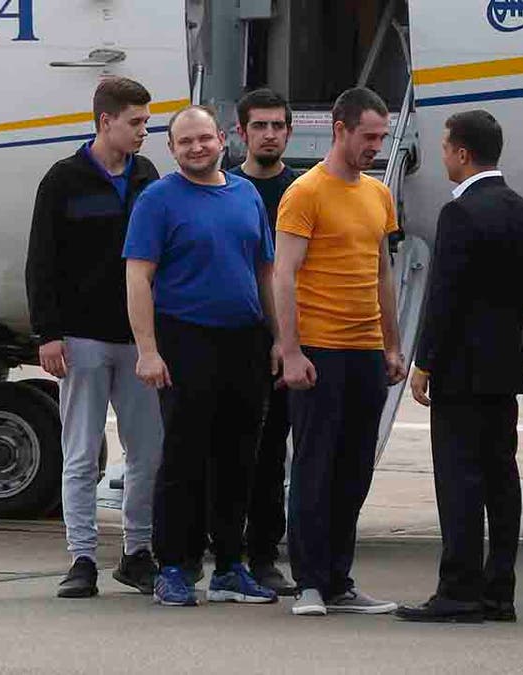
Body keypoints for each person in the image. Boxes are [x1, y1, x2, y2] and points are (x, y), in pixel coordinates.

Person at [124, 106, 279, 608]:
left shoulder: (245, 194)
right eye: (185, 141)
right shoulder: (158, 200)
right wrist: (148, 351)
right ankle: (175, 566)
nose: (197, 148)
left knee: (240, 457)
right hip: (184, 339)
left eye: (204, 139)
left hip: (245, 340)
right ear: (171, 149)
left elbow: (264, 273)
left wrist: (280, 339)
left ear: (223, 141)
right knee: (185, 457)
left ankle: (230, 565)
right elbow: (138, 277)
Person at [396, 110, 523, 624]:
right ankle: (499, 590)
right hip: (504, 366)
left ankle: (458, 589)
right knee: (502, 479)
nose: (443, 157)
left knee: (458, 480)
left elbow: (446, 296)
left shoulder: (459, 213)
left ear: (461, 153)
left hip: (461, 370)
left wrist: (426, 361)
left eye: (445, 148)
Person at [26, 77, 164, 598]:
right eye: (136, 123)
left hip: (137, 340)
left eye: (146, 123)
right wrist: (48, 333)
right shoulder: (63, 180)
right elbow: (41, 260)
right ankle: (81, 557)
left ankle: (137, 551)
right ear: (105, 122)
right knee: (81, 453)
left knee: (147, 452)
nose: (143, 132)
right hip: (81, 338)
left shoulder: (147, 176)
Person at [274, 87, 407, 617]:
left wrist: (392, 344)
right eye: (369, 136)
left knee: (354, 469)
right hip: (318, 349)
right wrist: (289, 351)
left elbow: (382, 274)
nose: (377, 145)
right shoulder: (306, 192)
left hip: (366, 350)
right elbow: (283, 275)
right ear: (340, 128)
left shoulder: (378, 195)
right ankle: (308, 581)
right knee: (314, 464)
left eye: (382, 136)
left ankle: (338, 580)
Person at [229, 87, 300, 596]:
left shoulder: (302, 191)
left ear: (289, 132)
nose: (269, 134)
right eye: (260, 126)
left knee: (274, 450)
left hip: (288, 342)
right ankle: (224, 547)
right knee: (228, 450)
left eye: (277, 126)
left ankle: (264, 553)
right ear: (241, 133)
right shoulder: (224, 189)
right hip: (235, 339)